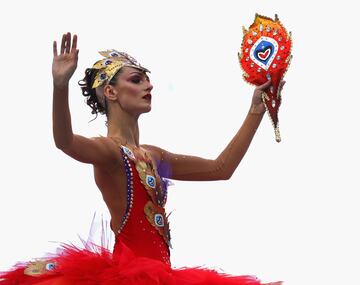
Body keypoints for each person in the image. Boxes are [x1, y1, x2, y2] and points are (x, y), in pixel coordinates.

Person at [0, 32, 284, 285]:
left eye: (147, 79)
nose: (148, 86)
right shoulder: (110, 152)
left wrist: (255, 110)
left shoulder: (154, 156)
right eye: (136, 80)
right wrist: (60, 87)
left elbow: (221, 168)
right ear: (111, 92)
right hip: (129, 276)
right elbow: (65, 141)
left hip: (163, 274)